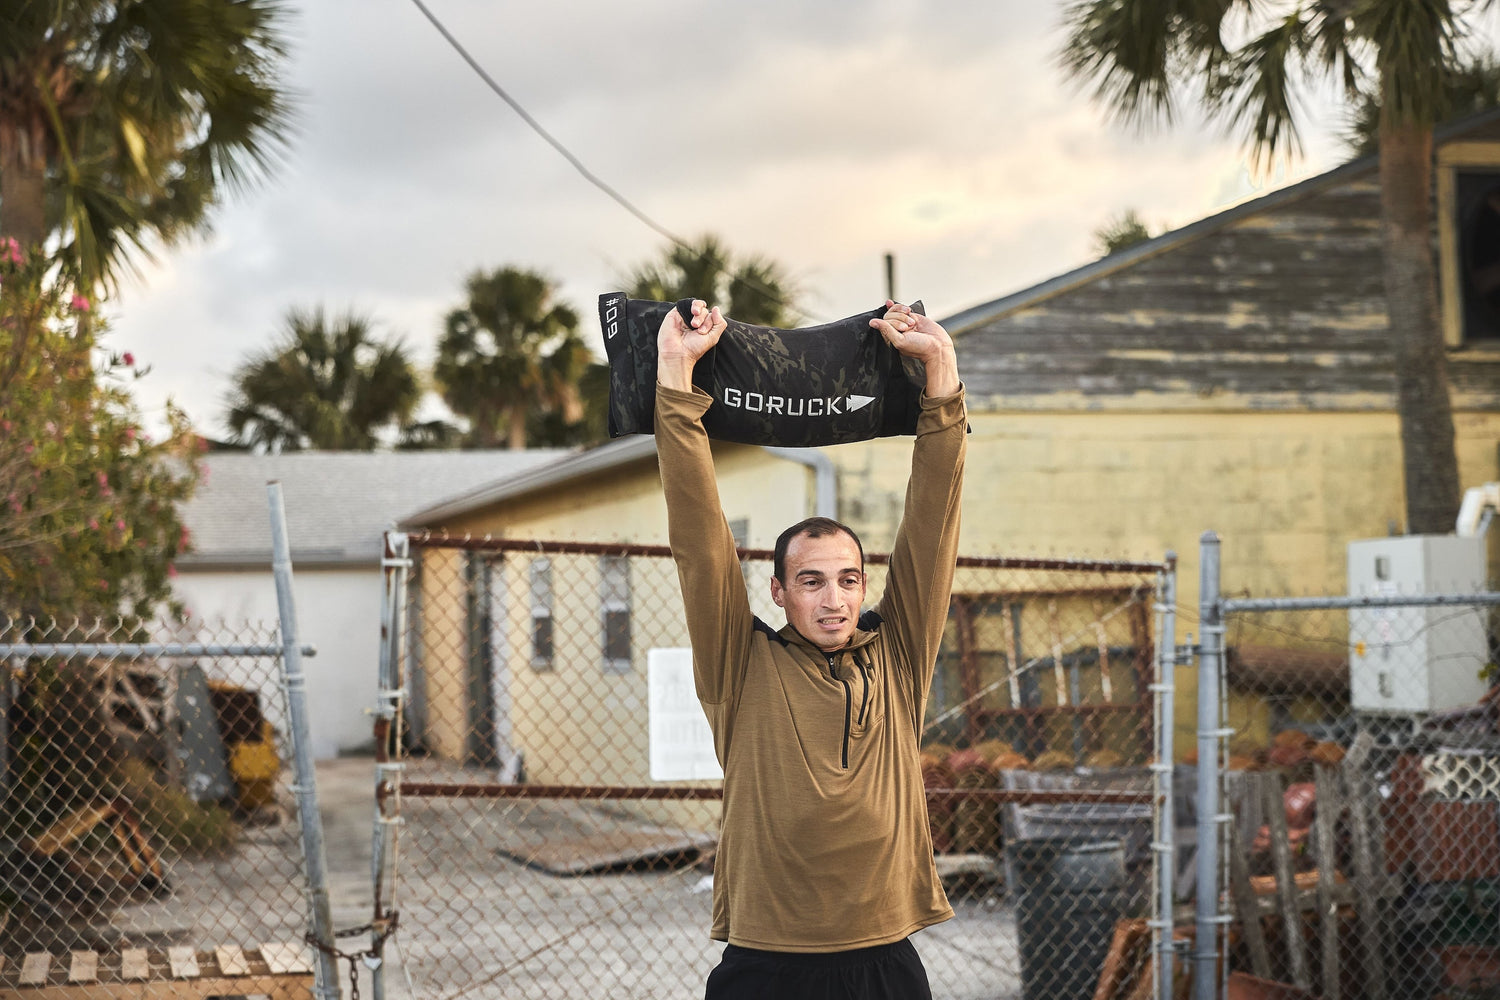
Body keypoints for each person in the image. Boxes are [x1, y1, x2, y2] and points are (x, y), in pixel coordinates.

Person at [655, 298, 967, 1000]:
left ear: (865, 587)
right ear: (778, 592)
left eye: (848, 580)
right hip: (769, 962)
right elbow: (700, 544)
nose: (832, 598)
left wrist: (940, 374)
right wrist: (676, 379)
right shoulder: (742, 665)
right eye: (811, 581)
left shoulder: (899, 656)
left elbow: (933, 526)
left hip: (884, 957)